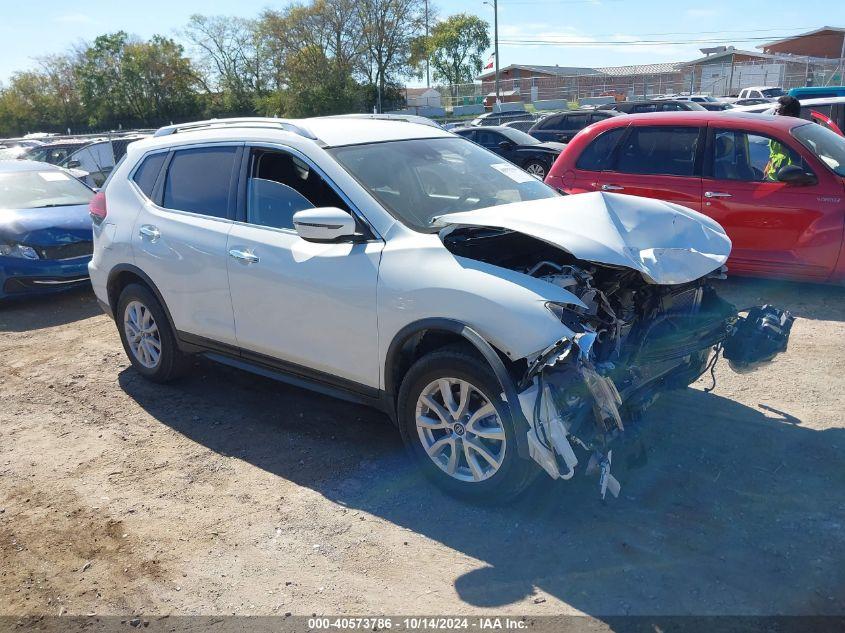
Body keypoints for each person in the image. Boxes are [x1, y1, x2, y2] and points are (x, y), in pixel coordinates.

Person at [764, 96, 802, 180]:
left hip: (787, 184)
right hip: (771, 181)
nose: (773, 114)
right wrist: (767, 168)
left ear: (789, 115)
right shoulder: (776, 133)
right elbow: (773, 155)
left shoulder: (797, 138)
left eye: (778, 111)